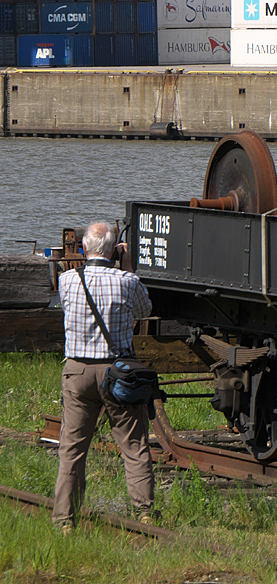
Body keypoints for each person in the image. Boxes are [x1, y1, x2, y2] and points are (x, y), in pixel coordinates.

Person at [53, 221, 155, 533]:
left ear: (84, 249)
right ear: (113, 250)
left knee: (72, 448)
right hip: (117, 374)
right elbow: (144, 310)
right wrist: (127, 266)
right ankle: (145, 515)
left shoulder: (67, 280)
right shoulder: (127, 281)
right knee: (134, 445)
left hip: (78, 371)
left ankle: (64, 521)